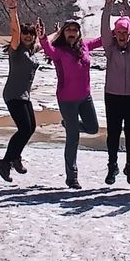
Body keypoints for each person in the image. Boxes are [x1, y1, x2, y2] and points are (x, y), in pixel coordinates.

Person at [38, 18, 102, 189]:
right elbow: (48, 49)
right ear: (64, 33)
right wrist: (43, 36)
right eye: (68, 30)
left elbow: (103, 40)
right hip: (67, 99)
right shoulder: (58, 51)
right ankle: (71, 177)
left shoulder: (85, 47)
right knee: (73, 138)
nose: (72, 33)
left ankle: (68, 123)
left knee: (93, 128)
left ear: (79, 32)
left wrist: (124, 22)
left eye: (75, 30)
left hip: (85, 97)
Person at [0, 0, 40, 183]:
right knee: (24, 129)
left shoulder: (31, 50)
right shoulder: (16, 49)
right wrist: (13, 10)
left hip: (24, 96)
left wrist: (57, 32)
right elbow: (14, 29)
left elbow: (44, 42)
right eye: (25, 33)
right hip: (14, 94)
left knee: (31, 128)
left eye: (31, 33)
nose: (28, 35)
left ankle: (15, 157)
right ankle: (5, 162)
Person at [101, 0, 130, 185]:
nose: (121, 35)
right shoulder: (110, 49)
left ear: (129, 33)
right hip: (113, 95)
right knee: (113, 132)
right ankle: (112, 166)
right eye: (118, 32)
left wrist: (129, 8)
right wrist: (108, 7)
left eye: (125, 32)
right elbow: (104, 28)